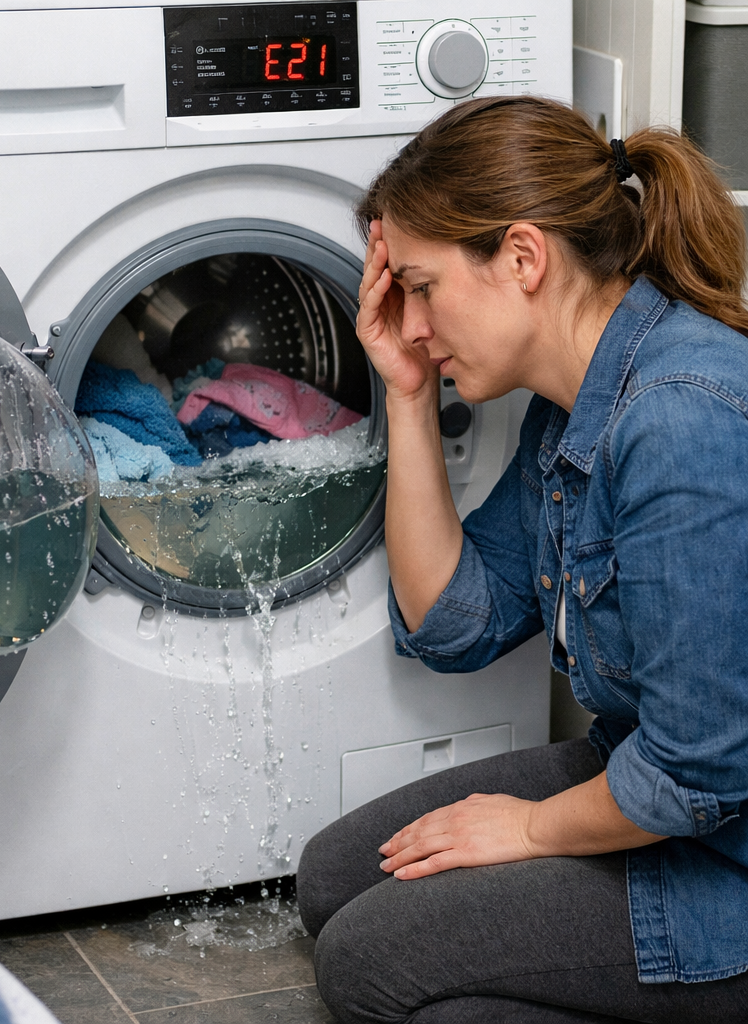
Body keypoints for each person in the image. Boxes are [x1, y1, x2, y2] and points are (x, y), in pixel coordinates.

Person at [296, 96, 748, 1023]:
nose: (410, 320)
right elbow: (453, 624)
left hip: (720, 854)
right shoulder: (573, 406)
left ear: (522, 256)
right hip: (643, 787)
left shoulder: (681, 417)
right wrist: (409, 396)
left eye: (420, 287)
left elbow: (699, 776)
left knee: (371, 964)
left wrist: (533, 829)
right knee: (334, 882)